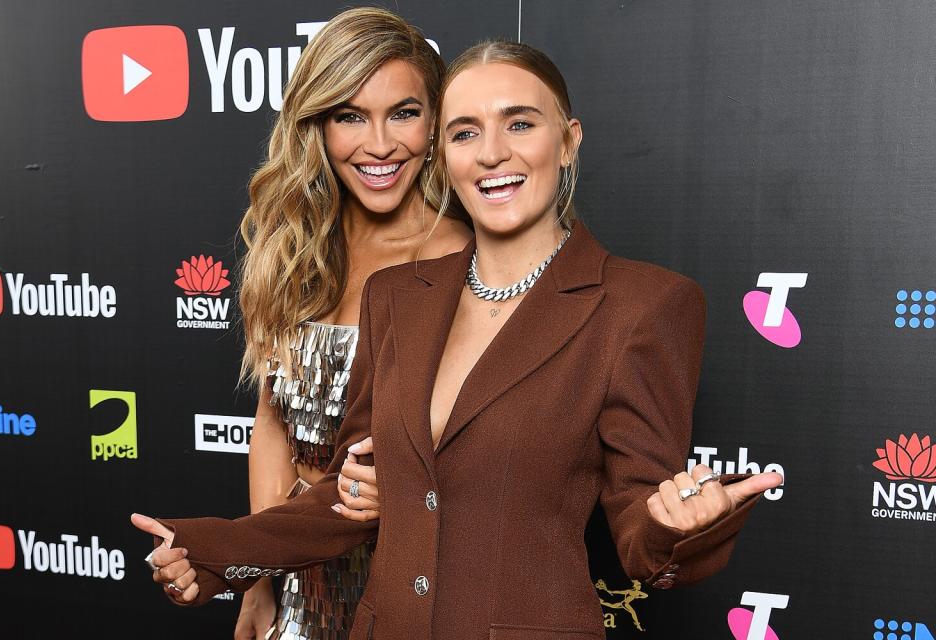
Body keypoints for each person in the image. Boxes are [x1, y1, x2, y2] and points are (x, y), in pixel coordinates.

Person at [133, 39, 782, 640]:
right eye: (465, 132)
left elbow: (640, 532)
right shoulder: (398, 296)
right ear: (444, 155)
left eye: (520, 123)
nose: (493, 153)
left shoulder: (643, 305)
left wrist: (677, 523)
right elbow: (347, 495)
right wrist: (213, 552)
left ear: (568, 141)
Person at [186, 8, 470, 640]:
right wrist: (257, 581)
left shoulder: (462, 260)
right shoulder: (295, 251)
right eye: (349, 116)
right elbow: (272, 427)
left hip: (407, 579)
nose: (378, 144)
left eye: (403, 112)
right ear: (316, 124)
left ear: (436, 122)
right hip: (301, 579)